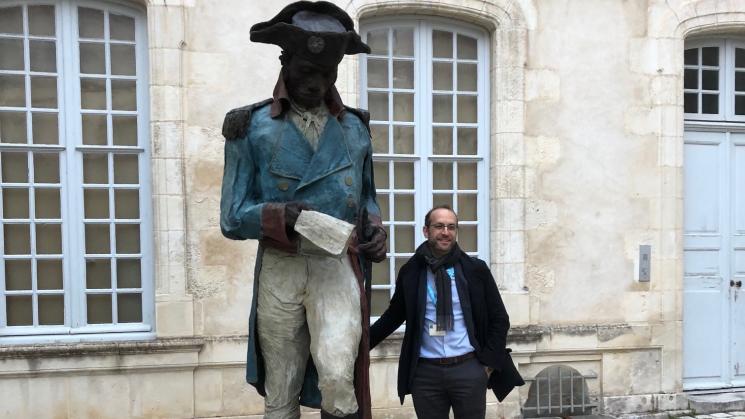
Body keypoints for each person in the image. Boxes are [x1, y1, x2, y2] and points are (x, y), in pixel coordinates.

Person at [219, 2, 386, 419]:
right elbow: (231, 217)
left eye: (325, 74)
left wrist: (377, 228)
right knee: (281, 389)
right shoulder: (250, 126)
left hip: (336, 266)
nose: (315, 83)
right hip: (283, 266)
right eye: (306, 71)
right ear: (285, 63)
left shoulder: (355, 129)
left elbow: (366, 199)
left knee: (337, 379)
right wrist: (279, 216)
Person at [370, 205, 524, 419]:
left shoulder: (475, 270)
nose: (445, 232)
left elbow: (500, 319)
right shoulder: (411, 272)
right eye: (439, 226)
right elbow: (392, 317)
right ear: (426, 231)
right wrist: (360, 346)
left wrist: (487, 364)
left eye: (451, 227)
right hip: (426, 374)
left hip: (468, 369)